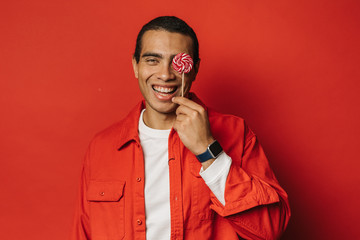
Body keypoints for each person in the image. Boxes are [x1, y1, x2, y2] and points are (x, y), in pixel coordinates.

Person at [71, 16, 290, 240]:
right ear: (136, 66)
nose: (165, 75)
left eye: (177, 62)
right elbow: (84, 233)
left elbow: (270, 229)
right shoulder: (102, 147)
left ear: (194, 70)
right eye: (153, 60)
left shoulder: (236, 132)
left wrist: (208, 150)